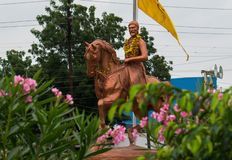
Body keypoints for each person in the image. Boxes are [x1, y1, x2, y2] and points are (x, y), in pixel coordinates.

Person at [123, 20, 148, 85]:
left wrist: (130, 59)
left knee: (133, 81)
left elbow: (145, 56)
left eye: (133, 27)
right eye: (130, 28)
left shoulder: (140, 41)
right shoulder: (127, 42)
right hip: (126, 67)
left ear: (137, 28)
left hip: (136, 68)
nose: (131, 29)